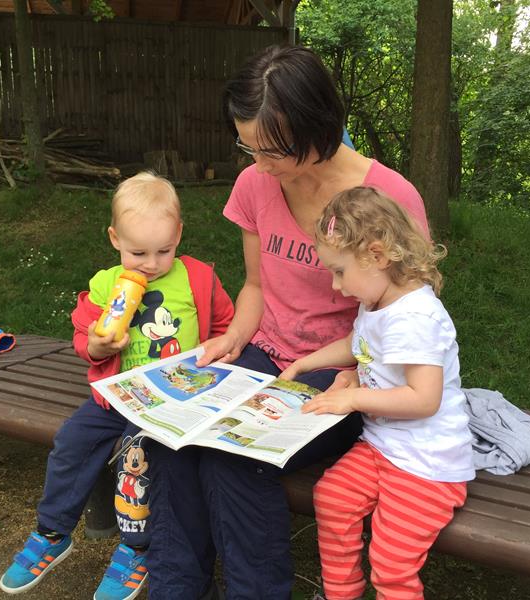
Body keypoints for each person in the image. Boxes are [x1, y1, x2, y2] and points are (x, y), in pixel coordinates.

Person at [142, 45, 430, 600]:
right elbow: (256, 286)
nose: (259, 164)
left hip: (342, 370)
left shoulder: (389, 197)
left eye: (272, 150)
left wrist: (365, 371)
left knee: (236, 454)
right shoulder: (255, 184)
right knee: (171, 437)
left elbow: (412, 312)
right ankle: (176, 588)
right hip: (266, 353)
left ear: (317, 127)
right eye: (247, 147)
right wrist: (232, 338)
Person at [0, 172, 234, 599]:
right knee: (72, 441)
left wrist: (216, 354)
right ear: (115, 239)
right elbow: (83, 338)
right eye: (137, 252)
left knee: (135, 456)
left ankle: (137, 547)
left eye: (163, 251)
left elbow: (224, 326)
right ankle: (52, 531)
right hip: (116, 397)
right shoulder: (106, 285)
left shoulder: (197, 278)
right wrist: (98, 345)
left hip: (170, 402)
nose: (151, 263)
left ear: (179, 235)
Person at [281, 187, 475, 599]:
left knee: (391, 563)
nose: (336, 286)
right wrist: (305, 364)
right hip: (383, 447)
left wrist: (353, 398)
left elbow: (424, 399)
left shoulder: (415, 317)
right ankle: (341, 593)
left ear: (377, 255)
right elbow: (358, 344)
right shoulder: (377, 303)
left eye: (339, 271)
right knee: (332, 497)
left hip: (426, 464)